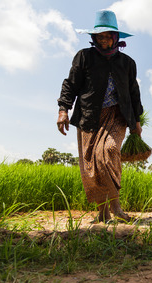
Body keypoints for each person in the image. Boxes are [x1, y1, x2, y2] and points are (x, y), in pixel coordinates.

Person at [56, 10, 143, 223]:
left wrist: (137, 122)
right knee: (92, 166)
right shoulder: (84, 57)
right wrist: (63, 110)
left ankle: (116, 207)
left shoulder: (127, 63)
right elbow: (71, 84)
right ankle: (103, 212)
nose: (104, 39)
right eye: (100, 36)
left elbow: (133, 92)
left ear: (116, 38)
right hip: (89, 116)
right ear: (94, 38)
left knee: (109, 151)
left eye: (108, 35)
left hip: (117, 116)